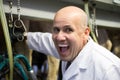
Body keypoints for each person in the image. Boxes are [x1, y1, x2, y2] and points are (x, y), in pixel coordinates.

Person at [24, 6, 120, 80]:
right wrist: (23, 36)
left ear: (86, 33)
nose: (59, 37)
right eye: (56, 30)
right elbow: (43, 41)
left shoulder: (109, 70)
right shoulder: (70, 48)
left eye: (68, 30)